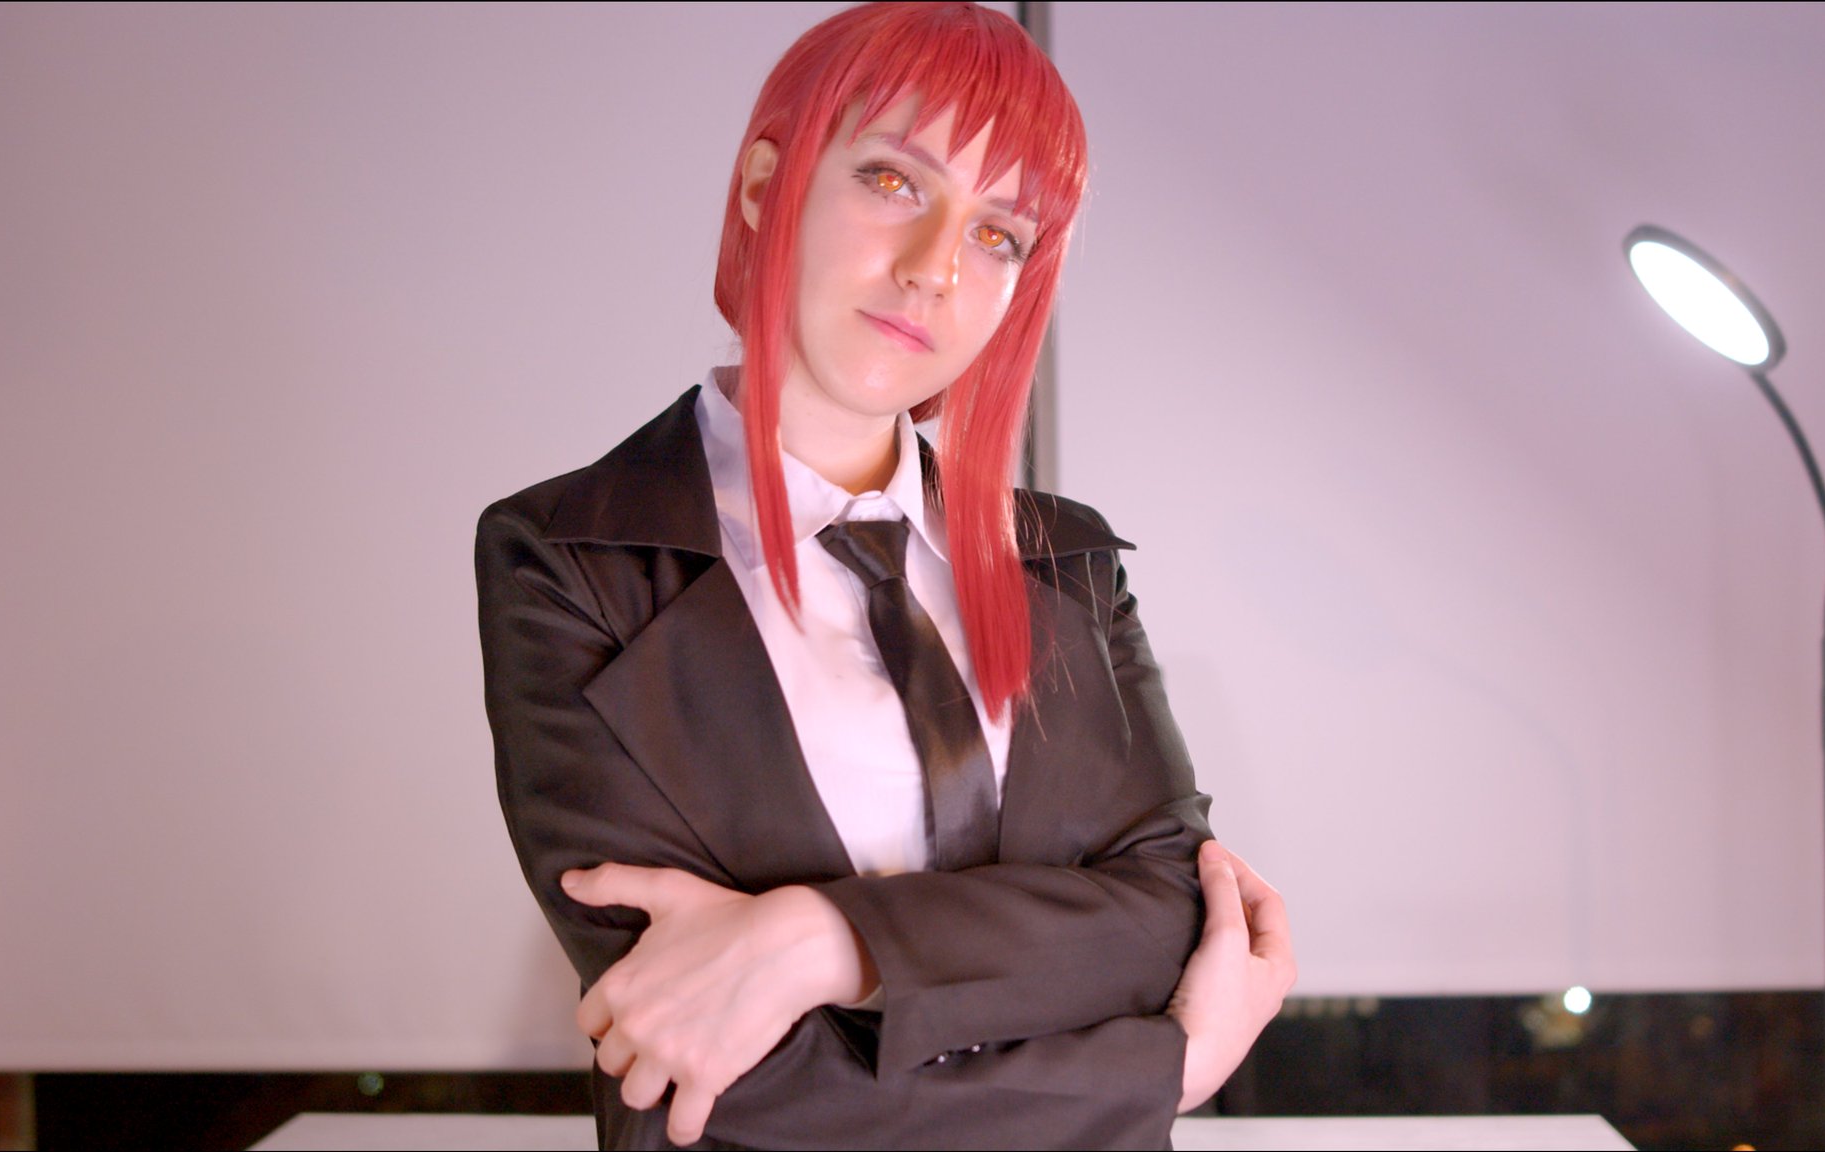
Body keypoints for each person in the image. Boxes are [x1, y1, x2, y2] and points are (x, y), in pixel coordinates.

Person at [475, 4, 1295, 1148]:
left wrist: (818, 942)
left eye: (996, 235)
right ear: (765, 187)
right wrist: (1171, 1067)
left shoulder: (1065, 561)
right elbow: (704, 1065)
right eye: (892, 181)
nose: (933, 271)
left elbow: (1163, 917)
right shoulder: (569, 560)